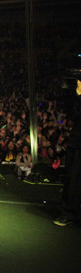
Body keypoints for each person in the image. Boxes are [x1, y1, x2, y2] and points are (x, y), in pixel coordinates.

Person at [54, 79, 81, 226]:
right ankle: (69, 213)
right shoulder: (76, 98)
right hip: (76, 142)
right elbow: (72, 114)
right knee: (72, 178)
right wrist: (74, 94)